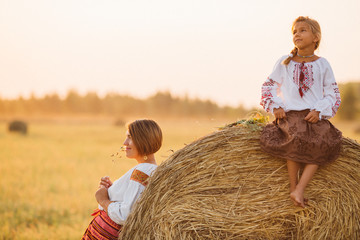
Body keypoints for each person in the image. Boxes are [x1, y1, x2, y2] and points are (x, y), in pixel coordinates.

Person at [259, 16, 342, 208]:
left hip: (313, 115)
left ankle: (300, 189)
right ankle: (293, 186)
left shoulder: (323, 64)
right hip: (292, 114)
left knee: (324, 141)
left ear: (316, 37)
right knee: (295, 139)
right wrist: (276, 106)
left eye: (303, 30)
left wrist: (319, 111)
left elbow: (332, 93)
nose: (297, 34)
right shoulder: (285, 62)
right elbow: (269, 85)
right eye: (294, 31)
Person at [82, 119, 162, 240]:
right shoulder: (149, 170)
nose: (125, 142)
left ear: (143, 140)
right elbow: (135, 203)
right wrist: (114, 191)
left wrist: (103, 200)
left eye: (130, 137)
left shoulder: (143, 171)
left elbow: (125, 215)